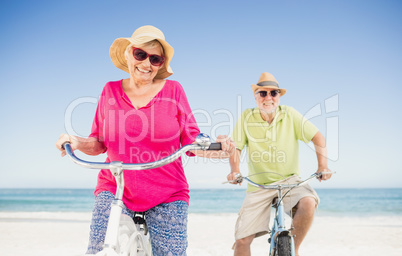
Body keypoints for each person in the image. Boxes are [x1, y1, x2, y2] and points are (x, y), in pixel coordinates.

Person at [56, 25, 234, 256]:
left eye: (155, 59)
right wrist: (76, 142)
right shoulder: (109, 90)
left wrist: (219, 148)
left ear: (161, 64)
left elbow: (191, 139)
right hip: (116, 187)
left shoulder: (174, 90)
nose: (146, 64)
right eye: (140, 54)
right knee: (100, 249)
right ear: (129, 54)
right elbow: (99, 142)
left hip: (167, 192)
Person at [227, 72, 332, 256]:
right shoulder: (246, 117)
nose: (268, 98)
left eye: (273, 93)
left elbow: (318, 137)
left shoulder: (290, 114)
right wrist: (234, 170)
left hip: (290, 181)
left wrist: (322, 166)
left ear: (279, 96)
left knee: (308, 202)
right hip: (259, 186)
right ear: (256, 96)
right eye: (262, 93)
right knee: (242, 241)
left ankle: (294, 249)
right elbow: (236, 147)